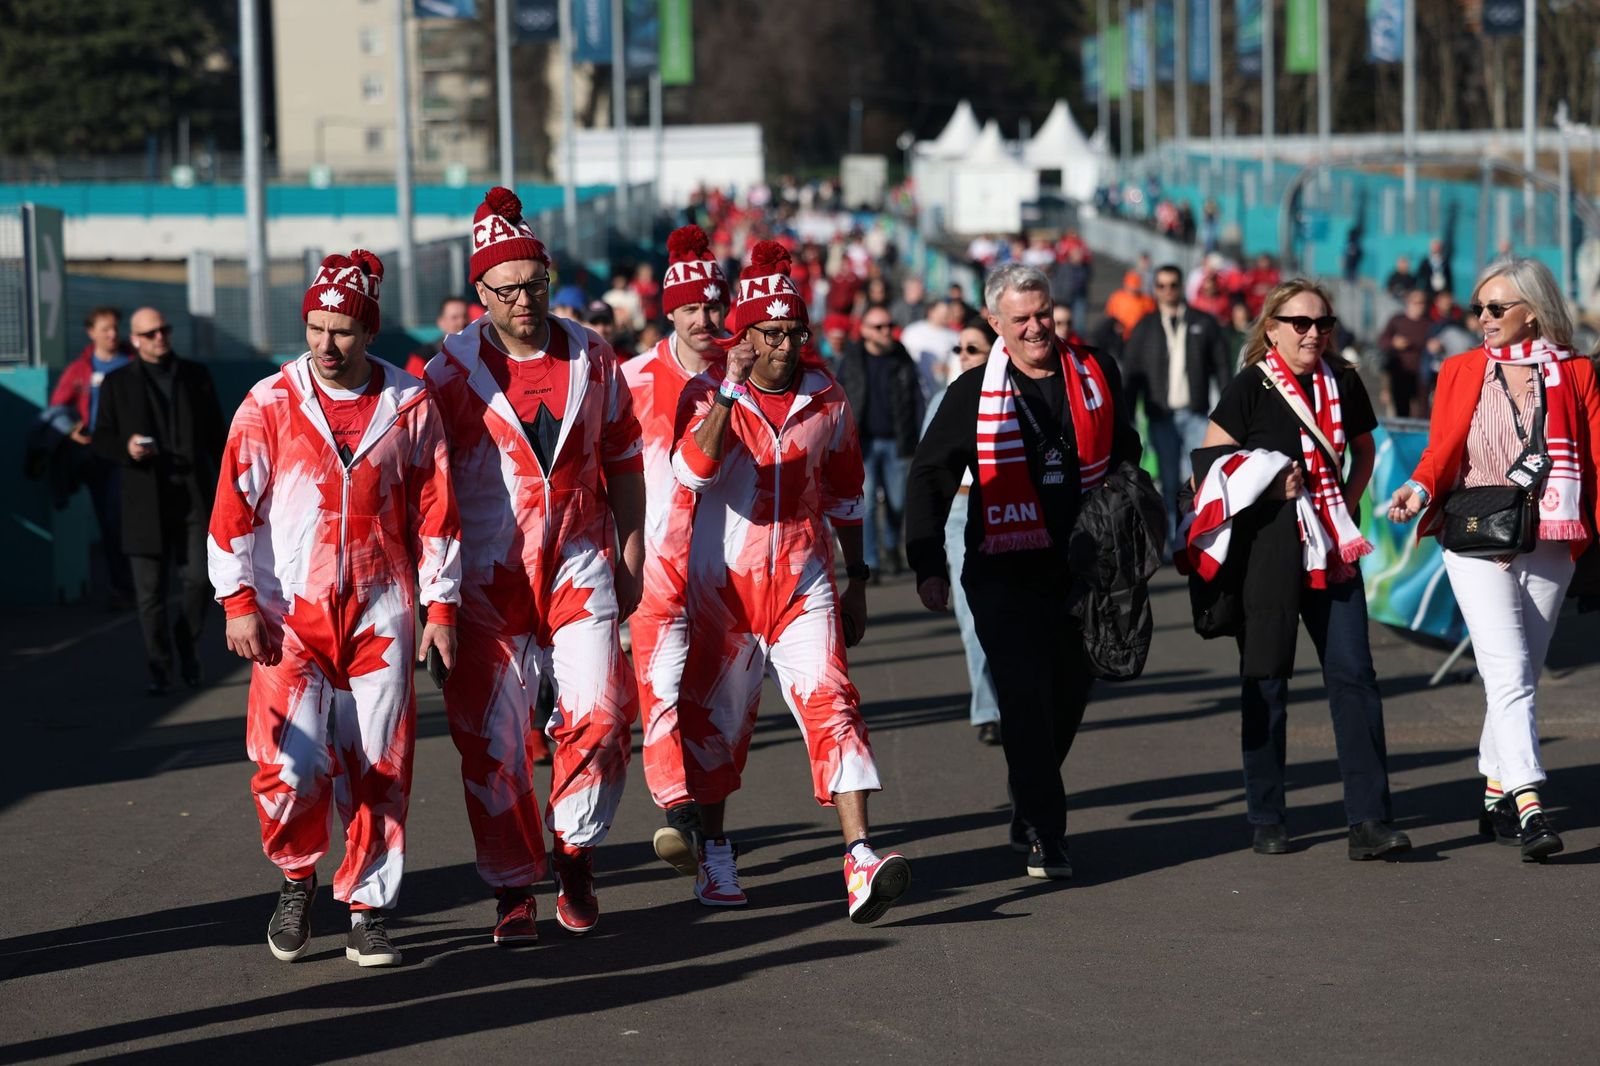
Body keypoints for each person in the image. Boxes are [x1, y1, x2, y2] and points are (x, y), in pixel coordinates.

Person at [208, 250, 461, 967]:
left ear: (368, 330)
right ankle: (296, 879)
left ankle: (368, 906)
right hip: (291, 615)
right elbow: (232, 509)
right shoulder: (268, 403)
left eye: (343, 330)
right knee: (285, 767)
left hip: (382, 612)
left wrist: (441, 608)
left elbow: (438, 514)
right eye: (316, 327)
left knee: (380, 763)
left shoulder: (409, 405)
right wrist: (237, 601)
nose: (326, 343)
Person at [671, 240, 910, 923]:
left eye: (794, 333)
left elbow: (848, 494)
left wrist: (858, 578)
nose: (784, 347)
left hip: (805, 585)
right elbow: (692, 471)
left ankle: (860, 855)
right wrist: (729, 390)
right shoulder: (711, 392)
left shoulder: (826, 396)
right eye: (771, 334)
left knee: (835, 705)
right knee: (718, 728)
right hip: (727, 593)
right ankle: (714, 849)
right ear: (743, 334)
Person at [429, 187, 644, 944]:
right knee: (494, 742)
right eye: (507, 287)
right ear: (479, 293)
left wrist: (633, 544)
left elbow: (623, 453)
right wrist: (436, 601)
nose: (526, 299)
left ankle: (576, 851)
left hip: (578, 562)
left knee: (605, 714)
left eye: (536, 283)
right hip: (488, 576)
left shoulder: (591, 351)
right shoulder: (449, 374)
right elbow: (428, 490)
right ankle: (512, 888)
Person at [906, 264, 1142, 879]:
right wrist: (927, 564)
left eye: (1044, 314)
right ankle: (1045, 830)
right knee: (1023, 699)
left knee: (1069, 695)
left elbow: (1127, 444)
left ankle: (1030, 797)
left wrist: (1122, 494)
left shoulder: (1095, 371)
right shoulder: (970, 394)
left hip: (1084, 569)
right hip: (1003, 570)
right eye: (1022, 320)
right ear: (994, 324)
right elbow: (929, 479)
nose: (1037, 328)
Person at [1387, 257, 1600, 863]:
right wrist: (1419, 489)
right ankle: (1531, 804)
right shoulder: (1459, 371)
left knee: (1520, 676)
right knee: (1509, 674)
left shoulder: (1576, 373)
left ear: (1532, 310)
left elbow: (1597, 455)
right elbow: (1440, 451)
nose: (1482, 318)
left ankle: (1493, 794)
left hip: (1551, 538)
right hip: (1476, 535)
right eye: (1477, 308)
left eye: (1496, 308)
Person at [1194, 278, 1409, 860]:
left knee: (1354, 676)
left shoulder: (1345, 381)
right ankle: (1266, 813)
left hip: (1334, 552)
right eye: (1301, 323)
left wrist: (1342, 506)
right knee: (1266, 677)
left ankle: (1369, 822)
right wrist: (1267, 487)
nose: (1314, 333)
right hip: (1269, 552)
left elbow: (1365, 450)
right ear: (1272, 327)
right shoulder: (1251, 386)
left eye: (1324, 323)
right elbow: (1205, 470)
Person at [619, 224, 728, 876]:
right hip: (655, 562)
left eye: (714, 306)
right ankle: (677, 812)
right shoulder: (630, 380)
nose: (704, 319)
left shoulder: (745, 374)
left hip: (728, 567)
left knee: (713, 703)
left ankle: (711, 831)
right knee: (657, 689)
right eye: (691, 308)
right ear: (670, 310)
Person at [93, 306, 225, 695]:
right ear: (134, 339)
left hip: (192, 497)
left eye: (164, 330)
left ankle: (185, 642)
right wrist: (127, 447)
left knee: (200, 582)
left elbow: (219, 436)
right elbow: (101, 439)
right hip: (143, 501)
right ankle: (160, 665)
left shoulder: (195, 376)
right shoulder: (118, 382)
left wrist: (235, 487)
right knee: (149, 595)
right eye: (149, 333)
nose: (159, 338)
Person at [924, 319, 1003, 745]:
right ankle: (988, 708)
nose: (963, 357)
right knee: (972, 616)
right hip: (960, 509)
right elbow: (928, 471)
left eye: (972, 349)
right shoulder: (945, 399)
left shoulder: (1014, 395)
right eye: (959, 349)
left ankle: (1018, 698)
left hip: (1009, 508)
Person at [1124, 264, 1233, 542]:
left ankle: (1198, 536)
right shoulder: (1145, 326)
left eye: (1173, 285)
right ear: (1155, 289)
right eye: (1161, 285)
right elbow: (1132, 373)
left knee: (1197, 479)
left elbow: (1221, 366)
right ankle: (1174, 540)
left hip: (1195, 414)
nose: (1167, 291)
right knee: (1170, 481)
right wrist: (1127, 415)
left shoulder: (1203, 322)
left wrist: (1227, 408)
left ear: (1182, 286)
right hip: (1161, 415)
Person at [51, 306, 134, 606]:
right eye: (105, 329)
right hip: (98, 455)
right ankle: (122, 586)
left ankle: (140, 584)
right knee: (111, 520)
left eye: (115, 328)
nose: (112, 334)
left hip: (132, 452)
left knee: (132, 519)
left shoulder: (132, 361)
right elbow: (57, 406)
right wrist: (70, 428)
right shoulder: (81, 369)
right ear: (91, 333)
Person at [837, 306, 925, 577]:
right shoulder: (852, 359)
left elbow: (916, 399)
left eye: (889, 325)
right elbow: (840, 399)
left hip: (897, 441)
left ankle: (891, 548)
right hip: (863, 443)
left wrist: (920, 435)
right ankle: (871, 562)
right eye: (878, 327)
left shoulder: (901, 357)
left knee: (898, 502)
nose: (886, 331)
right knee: (869, 503)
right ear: (864, 331)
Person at [1379, 289, 1432, 417]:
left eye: (1423, 303)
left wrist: (1435, 346)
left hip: (1422, 376)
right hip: (1400, 374)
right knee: (1401, 412)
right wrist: (1393, 343)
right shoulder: (1397, 321)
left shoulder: (1429, 324)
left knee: (1423, 413)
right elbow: (1382, 341)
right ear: (1408, 302)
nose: (1420, 306)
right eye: (1416, 302)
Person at [899, 299, 960, 397]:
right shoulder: (912, 331)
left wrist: (946, 368)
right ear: (931, 311)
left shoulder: (955, 336)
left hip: (941, 389)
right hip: (914, 386)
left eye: (948, 312)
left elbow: (956, 363)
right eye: (942, 312)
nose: (945, 315)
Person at [406, 296, 469, 378]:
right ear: (441, 322)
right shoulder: (423, 357)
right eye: (454, 318)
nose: (461, 322)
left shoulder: (478, 351)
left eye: (465, 316)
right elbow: (412, 387)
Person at [1105, 270, 1156, 342]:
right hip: (1119, 336)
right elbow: (1109, 314)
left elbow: (1153, 318)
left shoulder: (1146, 300)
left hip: (1139, 336)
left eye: (1135, 287)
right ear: (1125, 285)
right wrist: (1115, 325)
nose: (1132, 290)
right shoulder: (1116, 297)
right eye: (1130, 287)